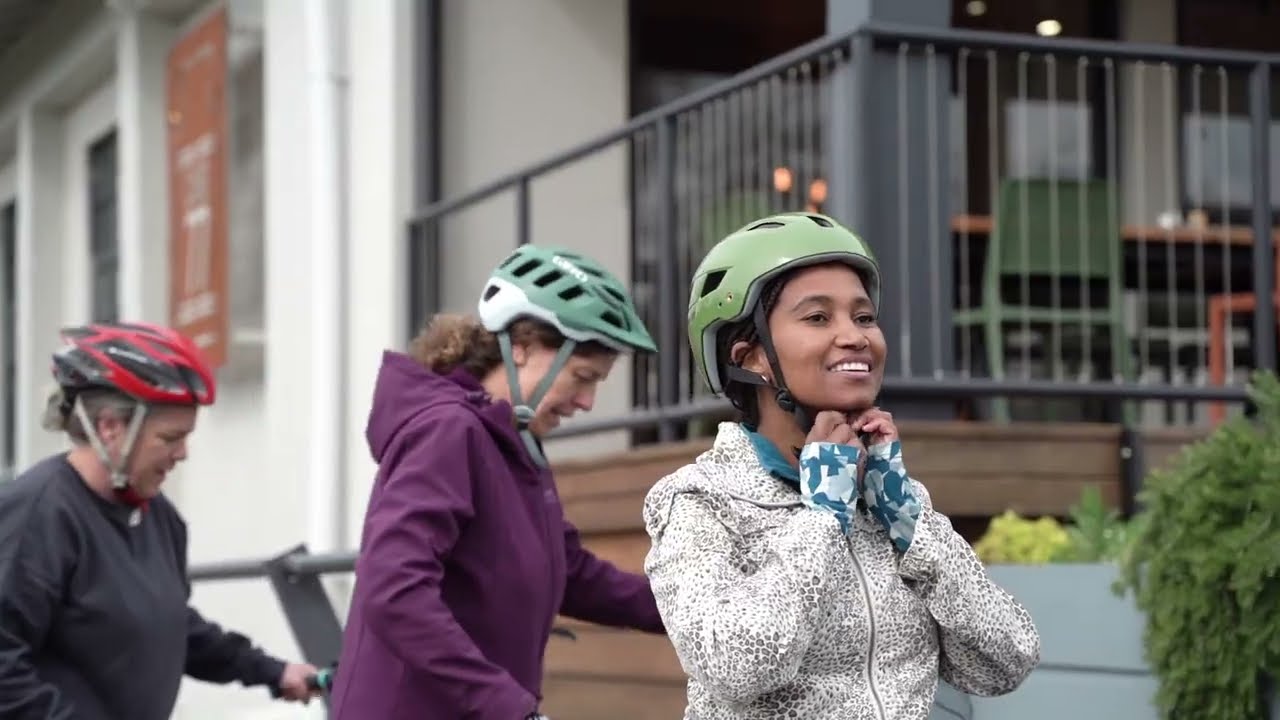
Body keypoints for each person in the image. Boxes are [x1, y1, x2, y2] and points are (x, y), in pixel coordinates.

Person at [642, 212, 1041, 719]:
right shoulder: (700, 498)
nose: (855, 337)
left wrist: (912, 525)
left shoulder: (893, 498)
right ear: (752, 356)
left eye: (864, 317)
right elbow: (734, 664)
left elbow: (1005, 662)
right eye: (817, 318)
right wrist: (822, 517)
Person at [331, 245, 667, 720]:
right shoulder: (449, 432)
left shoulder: (511, 441)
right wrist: (506, 705)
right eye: (582, 377)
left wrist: (694, 613)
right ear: (522, 346)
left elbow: (570, 572)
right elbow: (393, 588)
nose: (587, 402)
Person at [0, 321, 320, 719]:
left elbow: (169, 626)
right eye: (169, 438)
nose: (182, 453)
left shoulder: (157, 516)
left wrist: (271, 671)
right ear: (111, 428)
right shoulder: (38, 515)